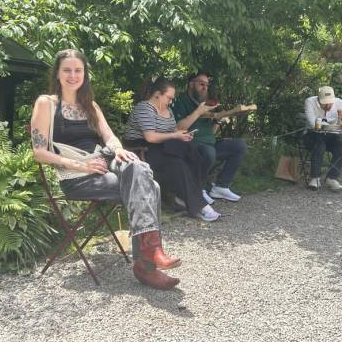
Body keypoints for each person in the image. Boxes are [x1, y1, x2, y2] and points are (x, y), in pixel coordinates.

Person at [31, 49, 180, 290]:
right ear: (57, 74)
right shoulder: (46, 104)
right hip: (77, 175)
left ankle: (151, 256)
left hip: (103, 161)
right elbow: (39, 152)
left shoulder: (90, 105)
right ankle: (148, 263)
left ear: (84, 74)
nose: (73, 75)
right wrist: (82, 164)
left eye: (78, 70)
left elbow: (108, 136)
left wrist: (118, 149)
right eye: (67, 70)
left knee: (136, 165)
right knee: (150, 187)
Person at [123, 76, 222, 222]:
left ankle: (186, 197)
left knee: (194, 152)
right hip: (142, 149)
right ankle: (199, 206)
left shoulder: (167, 110)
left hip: (162, 147)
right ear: (157, 94)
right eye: (169, 98)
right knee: (179, 164)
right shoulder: (144, 108)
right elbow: (150, 137)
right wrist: (175, 135)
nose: (171, 101)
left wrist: (182, 135)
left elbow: (172, 131)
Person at [172, 72, 247, 203]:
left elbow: (210, 133)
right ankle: (197, 190)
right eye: (201, 84)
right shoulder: (180, 101)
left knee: (239, 146)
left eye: (207, 85)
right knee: (208, 152)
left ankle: (221, 187)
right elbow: (179, 128)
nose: (205, 88)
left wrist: (219, 120)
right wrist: (198, 112)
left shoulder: (206, 104)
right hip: (189, 145)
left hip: (209, 144)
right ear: (191, 84)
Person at [304, 86, 342, 191]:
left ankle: (332, 178)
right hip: (313, 135)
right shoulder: (309, 102)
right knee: (319, 144)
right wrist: (330, 124)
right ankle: (315, 177)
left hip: (332, 135)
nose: (327, 106)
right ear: (318, 99)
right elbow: (313, 124)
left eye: (330, 103)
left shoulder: (339, 103)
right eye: (324, 103)